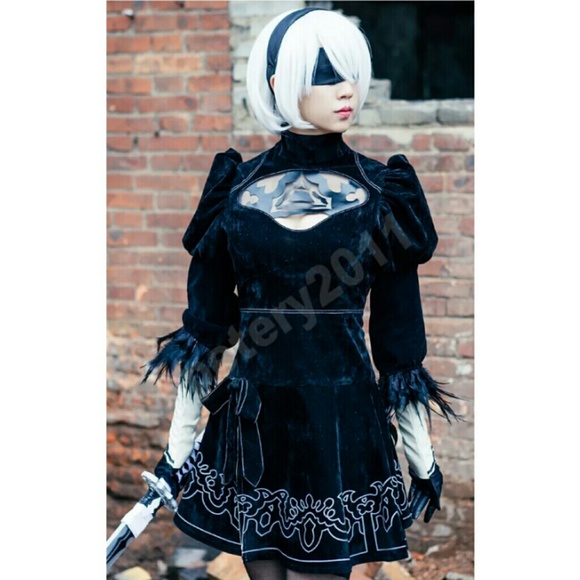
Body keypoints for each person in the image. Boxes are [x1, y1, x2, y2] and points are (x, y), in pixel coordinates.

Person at [143, 7, 459, 580]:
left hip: (339, 429)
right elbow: (205, 333)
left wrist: (422, 458)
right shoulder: (234, 191)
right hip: (254, 429)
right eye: (325, 75)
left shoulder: (383, 192)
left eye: (351, 73)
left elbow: (399, 345)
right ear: (278, 83)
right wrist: (176, 452)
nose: (347, 89)